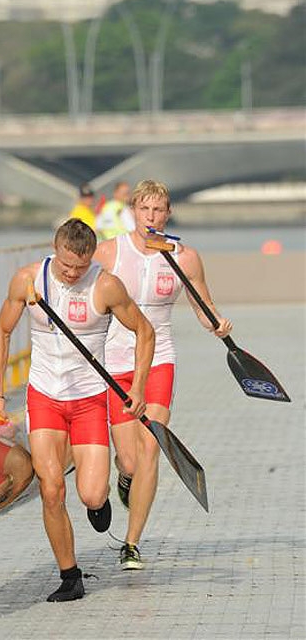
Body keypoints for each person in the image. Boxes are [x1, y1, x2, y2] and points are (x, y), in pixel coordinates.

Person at [0, 218, 154, 602]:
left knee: (92, 496)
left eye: (80, 267)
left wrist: (139, 387)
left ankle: (98, 490)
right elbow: (1, 333)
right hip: (44, 396)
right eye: (66, 266)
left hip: (89, 401)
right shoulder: (28, 280)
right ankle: (70, 575)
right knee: (51, 489)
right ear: (56, 249)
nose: (73, 273)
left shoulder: (106, 285)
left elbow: (145, 332)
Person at [94, 179, 233, 571]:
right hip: (114, 364)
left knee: (152, 446)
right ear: (133, 211)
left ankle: (132, 543)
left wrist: (217, 323)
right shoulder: (109, 252)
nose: (151, 218)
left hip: (158, 360)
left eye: (159, 211)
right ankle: (125, 479)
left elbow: (202, 303)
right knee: (131, 461)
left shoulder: (184, 256)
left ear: (168, 213)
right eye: (144, 210)